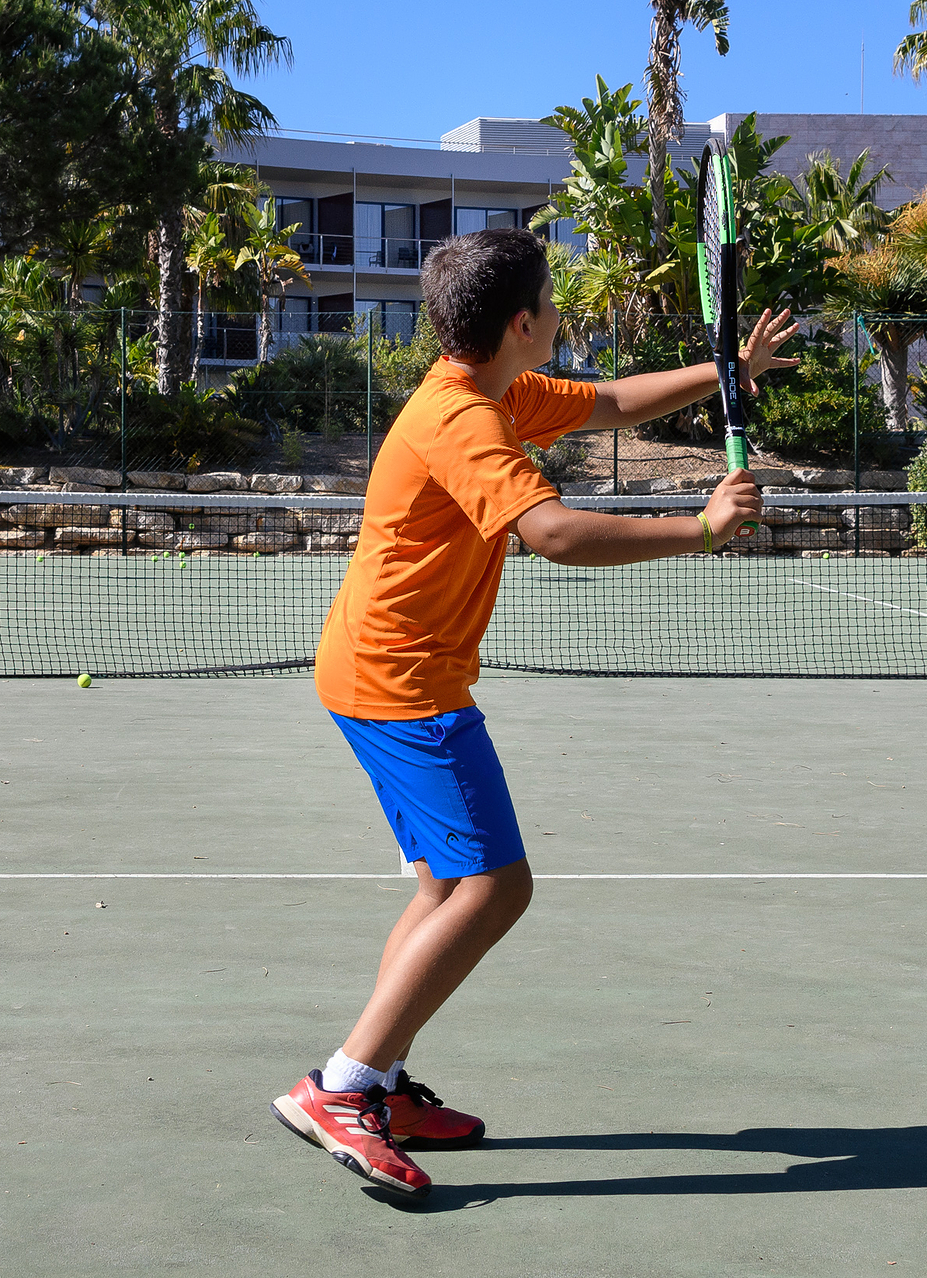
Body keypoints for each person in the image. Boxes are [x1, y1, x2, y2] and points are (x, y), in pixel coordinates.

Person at [270, 226, 795, 1198]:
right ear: (521, 323)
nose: (563, 314)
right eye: (554, 302)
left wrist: (722, 369)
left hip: (374, 672)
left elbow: (610, 401)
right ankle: (340, 1088)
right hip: (404, 685)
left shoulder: (491, 388)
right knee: (494, 888)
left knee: (442, 890)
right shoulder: (462, 419)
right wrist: (699, 527)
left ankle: (374, 1079)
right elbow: (549, 531)